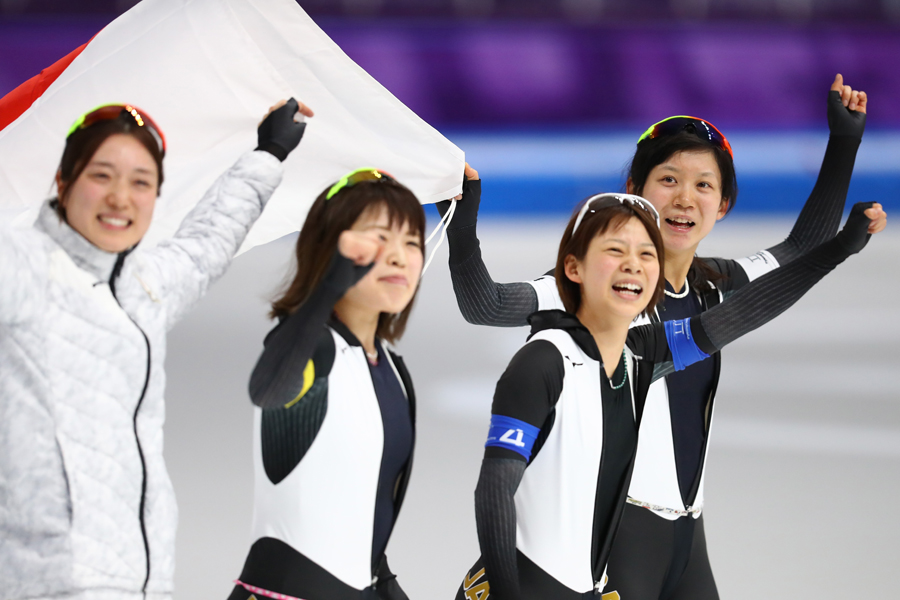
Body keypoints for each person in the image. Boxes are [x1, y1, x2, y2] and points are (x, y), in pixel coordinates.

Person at [440, 75, 886, 599]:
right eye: (668, 179)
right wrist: (461, 226)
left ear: (722, 206)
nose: (684, 198)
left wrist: (843, 143)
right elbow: (486, 304)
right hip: (615, 538)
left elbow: (799, 250)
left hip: (687, 539)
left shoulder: (717, 285)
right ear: (636, 188)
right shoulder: (584, 290)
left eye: (704, 185)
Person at [0, 98, 311, 599]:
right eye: (102, 175)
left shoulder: (141, 288)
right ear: (63, 182)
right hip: (45, 583)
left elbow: (204, 245)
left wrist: (268, 153)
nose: (121, 197)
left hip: (140, 581)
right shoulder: (21, 267)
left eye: (141, 182)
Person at [227, 169, 426, 600]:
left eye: (412, 242)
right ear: (331, 250)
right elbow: (268, 388)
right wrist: (331, 283)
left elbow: (363, 513)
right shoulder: (309, 348)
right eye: (379, 239)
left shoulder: (392, 368)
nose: (399, 256)